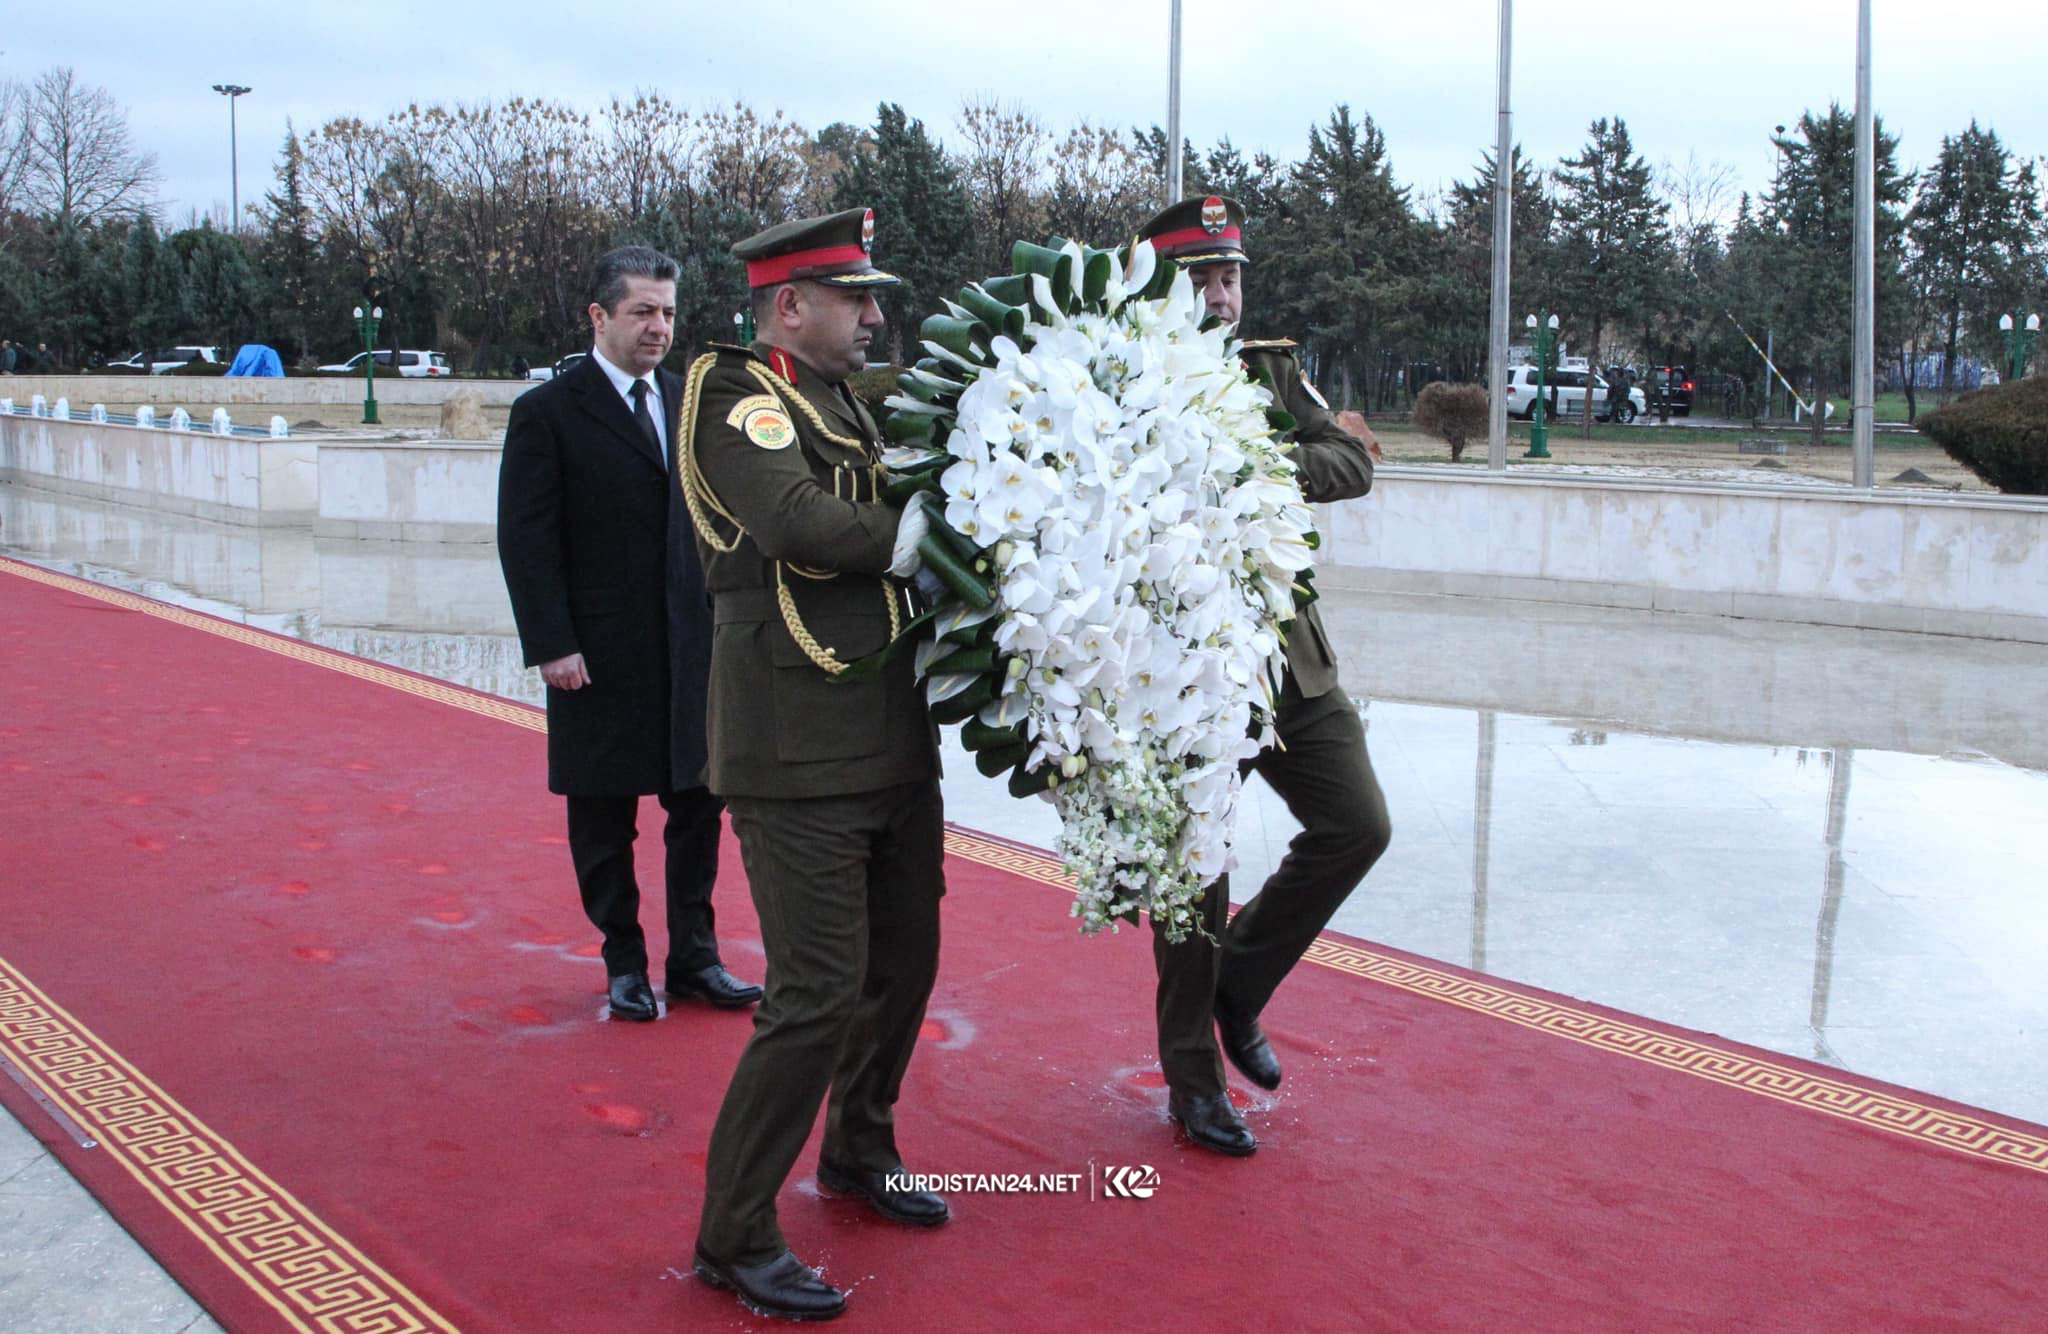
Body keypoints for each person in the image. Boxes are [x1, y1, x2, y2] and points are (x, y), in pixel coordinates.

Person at [681, 206, 947, 1322]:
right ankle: (733, 1231)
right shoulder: (733, 390)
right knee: (813, 994)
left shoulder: (843, 397)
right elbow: (793, 517)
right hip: (793, 743)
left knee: (905, 963)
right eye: (856, 298)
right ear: (789, 304)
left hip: (887, 727)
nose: (875, 316)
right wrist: (940, 526)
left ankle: (857, 1147)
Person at [1133, 195, 1393, 1156]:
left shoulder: (1270, 368)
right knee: (1190, 873)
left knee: (1357, 825)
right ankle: (1193, 1082)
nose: (1222, 294)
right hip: (1180, 669)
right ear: (1160, 284)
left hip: (1287, 656)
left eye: (1231, 274)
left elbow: (1351, 460)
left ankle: (1236, 984)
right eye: (1202, 276)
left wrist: (1251, 462)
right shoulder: (1118, 375)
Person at [496, 245, 761, 1025]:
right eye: (643, 311)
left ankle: (695, 959)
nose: (659, 327)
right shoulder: (547, 412)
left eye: (669, 313)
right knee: (604, 819)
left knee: (697, 811)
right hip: (596, 655)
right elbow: (526, 538)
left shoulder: (688, 401)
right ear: (599, 316)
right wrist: (551, 643)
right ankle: (622, 962)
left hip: (692, 649)